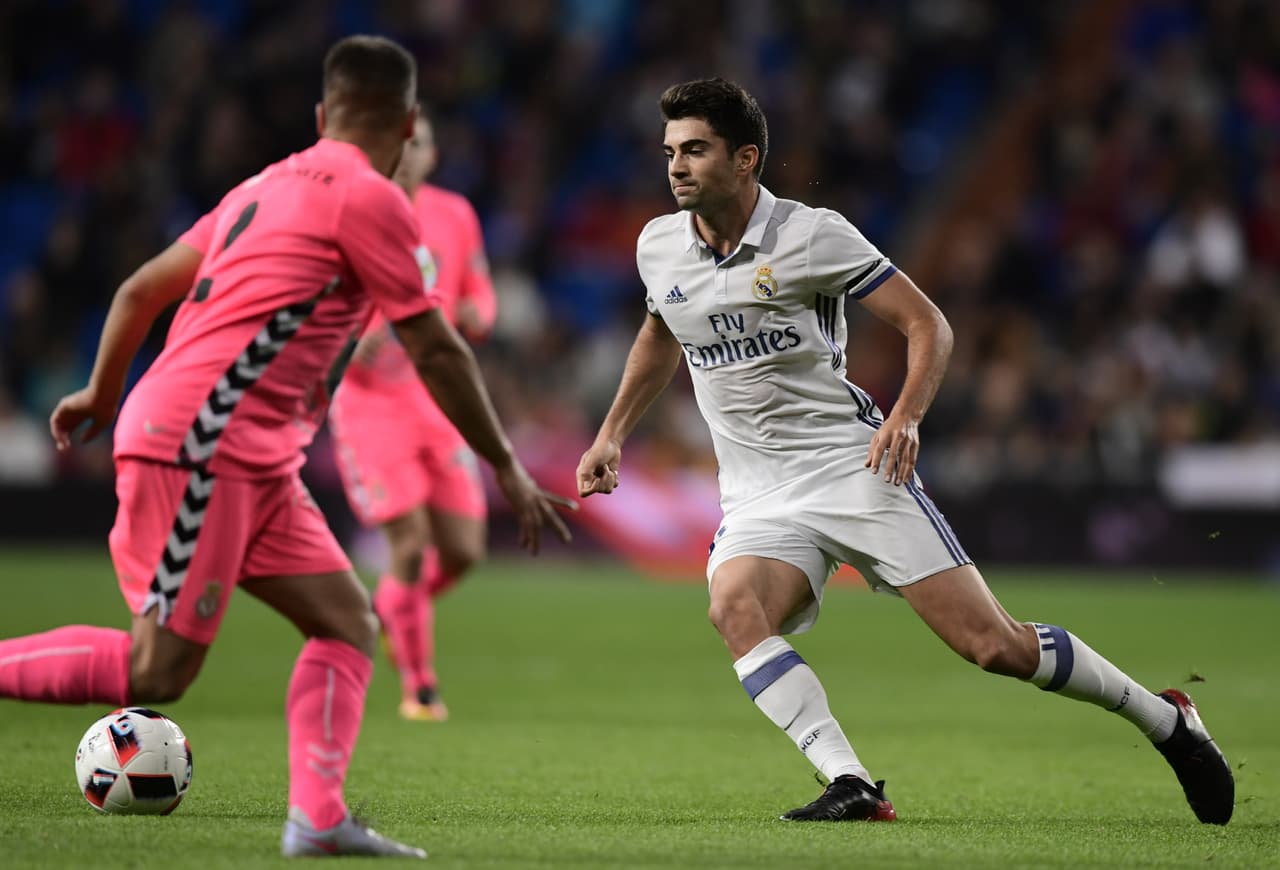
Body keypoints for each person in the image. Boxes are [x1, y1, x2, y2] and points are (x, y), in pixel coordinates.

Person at [575, 77, 1233, 825]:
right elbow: (662, 332)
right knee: (734, 608)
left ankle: (1167, 720)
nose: (676, 166)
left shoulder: (811, 235)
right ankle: (850, 781)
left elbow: (929, 324)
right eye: (669, 152)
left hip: (853, 468)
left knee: (994, 646)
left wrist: (909, 415)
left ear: (746, 158)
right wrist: (612, 432)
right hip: (757, 492)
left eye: (695, 150)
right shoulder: (659, 247)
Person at [0, 35, 571, 859]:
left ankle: (318, 821)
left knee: (345, 622)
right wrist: (507, 465)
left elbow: (140, 289)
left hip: (253, 453)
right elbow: (438, 347)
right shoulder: (373, 200)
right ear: (408, 122)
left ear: (321, 115)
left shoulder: (260, 187)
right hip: (204, 440)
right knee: (158, 673)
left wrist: (100, 389)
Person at [328, 110, 495, 723]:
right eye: (398, 142)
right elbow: (321, 299)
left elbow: (478, 286)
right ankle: (420, 688)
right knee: (410, 543)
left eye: (418, 142)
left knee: (465, 551)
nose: (407, 152)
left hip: (438, 399)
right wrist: (356, 336)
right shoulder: (354, 211)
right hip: (371, 407)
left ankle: (394, 610)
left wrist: (480, 312)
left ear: (431, 152)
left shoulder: (455, 213)